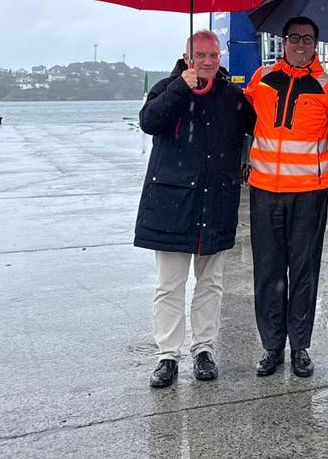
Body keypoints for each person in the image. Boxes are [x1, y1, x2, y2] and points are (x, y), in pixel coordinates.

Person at [135, 30, 254, 388]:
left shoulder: (232, 96)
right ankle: (167, 356)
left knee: (211, 284)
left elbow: (256, 129)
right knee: (169, 286)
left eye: (213, 55)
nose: (207, 61)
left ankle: (203, 350)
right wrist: (180, 89)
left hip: (216, 202)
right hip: (172, 204)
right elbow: (149, 122)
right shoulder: (166, 89)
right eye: (200, 55)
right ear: (187, 57)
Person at [243, 17, 328, 378]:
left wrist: (323, 178)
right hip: (264, 191)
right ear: (283, 42)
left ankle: (300, 345)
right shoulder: (261, 80)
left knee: (304, 272)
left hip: (309, 195)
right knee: (268, 272)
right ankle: (272, 347)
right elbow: (240, 119)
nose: (300, 44)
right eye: (294, 38)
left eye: (307, 38)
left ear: (316, 45)